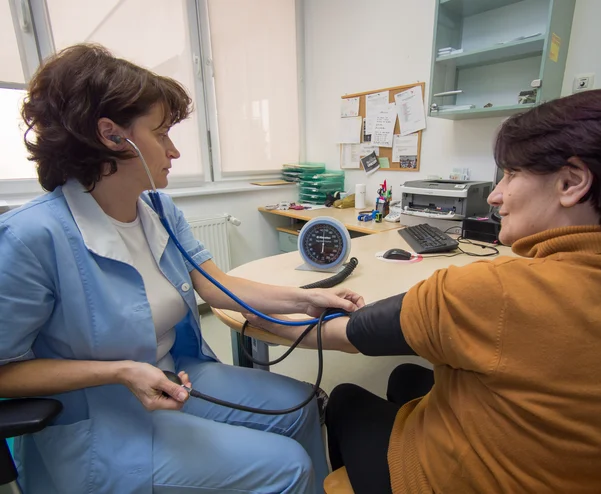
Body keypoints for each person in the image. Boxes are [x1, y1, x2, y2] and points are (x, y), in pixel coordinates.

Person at [248, 89, 601, 494]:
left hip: (464, 479)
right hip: (585, 471)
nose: (496, 194)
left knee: (345, 398)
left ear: (571, 182)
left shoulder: (493, 290)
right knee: (408, 375)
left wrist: (259, 317)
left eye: (512, 174)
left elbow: (350, 334)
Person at [0, 44, 365, 494]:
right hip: (102, 415)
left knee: (303, 404)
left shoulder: (158, 210)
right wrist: (120, 371)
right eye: (161, 134)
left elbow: (219, 287)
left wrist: (308, 297)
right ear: (112, 136)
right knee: (285, 466)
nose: (173, 151)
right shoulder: (31, 236)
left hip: (177, 374)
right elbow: (4, 371)